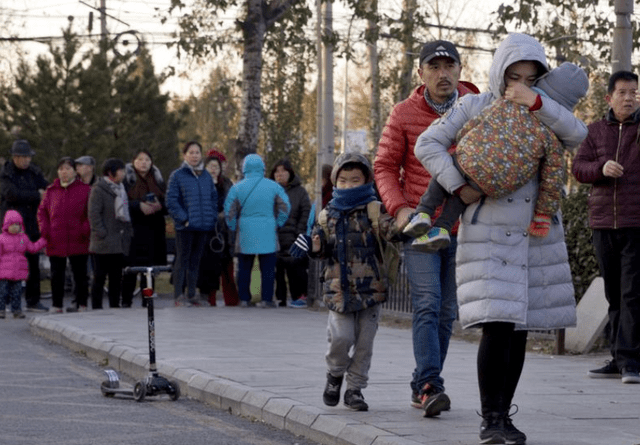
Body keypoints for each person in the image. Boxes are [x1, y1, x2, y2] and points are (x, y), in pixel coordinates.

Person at [414, 33, 586, 444]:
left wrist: (539, 104)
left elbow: (580, 136)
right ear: (499, 73)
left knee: (519, 329)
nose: (522, 84)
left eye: (531, 77)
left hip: (532, 237)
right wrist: (458, 185)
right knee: (497, 325)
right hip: (488, 233)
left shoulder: (549, 112)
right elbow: (429, 143)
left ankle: (504, 415)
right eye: (515, 76)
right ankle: (490, 418)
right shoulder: (475, 104)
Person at [373, 39, 479, 417]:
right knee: (428, 303)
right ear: (421, 74)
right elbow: (384, 165)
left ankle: (423, 382)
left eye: (449, 65)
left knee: (448, 310)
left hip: (465, 227)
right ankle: (431, 384)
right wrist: (400, 209)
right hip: (420, 226)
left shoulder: (478, 105)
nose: (442, 73)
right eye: (433, 67)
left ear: (460, 70)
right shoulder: (403, 113)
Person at [405, 62, 589, 251]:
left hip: (473, 158)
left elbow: (478, 121)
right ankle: (442, 228)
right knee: (461, 199)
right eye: (515, 77)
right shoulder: (554, 136)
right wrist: (543, 215)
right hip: (500, 185)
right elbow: (553, 178)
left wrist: (464, 140)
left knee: (443, 176)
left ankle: (423, 213)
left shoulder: (508, 102)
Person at [304, 152, 393, 411]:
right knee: (341, 338)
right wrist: (316, 246)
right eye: (343, 181)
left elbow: (391, 230)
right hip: (338, 290)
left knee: (365, 344)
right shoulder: (327, 214)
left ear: (366, 181)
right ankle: (334, 375)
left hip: (371, 290)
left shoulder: (374, 209)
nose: (349, 185)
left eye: (355, 180)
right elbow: (319, 250)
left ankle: (354, 390)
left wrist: (407, 223)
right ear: (335, 182)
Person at [572, 70, 640, 385]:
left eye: (634, 93)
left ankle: (630, 362)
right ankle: (618, 357)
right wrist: (601, 168)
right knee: (613, 293)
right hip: (602, 224)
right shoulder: (594, 131)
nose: (629, 98)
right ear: (609, 97)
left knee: (632, 294)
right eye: (623, 92)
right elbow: (578, 169)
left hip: (635, 223)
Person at [224, 154, 290, 308]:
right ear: (262, 167)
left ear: (244, 168)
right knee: (267, 269)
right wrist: (278, 222)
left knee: (244, 268)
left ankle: (245, 299)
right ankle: (267, 299)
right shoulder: (273, 186)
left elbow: (229, 210)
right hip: (268, 230)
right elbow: (285, 206)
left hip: (245, 231)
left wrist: (233, 226)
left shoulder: (238, 187)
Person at [37, 157, 91, 313]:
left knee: (80, 273)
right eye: (61, 169)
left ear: (75, 171)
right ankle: (57, 304)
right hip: (56, 237)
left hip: (78, 238)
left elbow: (90, 213)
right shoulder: (51, 191)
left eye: (68, 169)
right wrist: (45, 230)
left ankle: (81, 303)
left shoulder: (85, 190)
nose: (64, 172)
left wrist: (84, 229)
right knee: (56, 274)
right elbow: (42, 213)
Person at [166, 141, 218, 306]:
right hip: (185, 227)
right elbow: (171, 201)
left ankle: (191, 294)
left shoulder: (206, 176)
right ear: (185, 155)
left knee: (196, 261)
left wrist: (211, 218)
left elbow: (213, 198)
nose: (195, 155)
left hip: (203, 226)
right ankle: (178, 295)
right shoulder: (177, 175)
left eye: (197, 152)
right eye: (191, 152)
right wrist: (184, 219)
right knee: (182, 259)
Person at [0, 140, 49, 312]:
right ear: (15, 157)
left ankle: (33, 300)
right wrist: (36, 195)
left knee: (32, 263)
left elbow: (46, 188)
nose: (27, 160)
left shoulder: (34, 172)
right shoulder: (6, 173)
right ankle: (4, 301)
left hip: (32, 223)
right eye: (23, 157)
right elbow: (11, 194)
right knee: (8, 265)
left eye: (29, 157)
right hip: (12, 228)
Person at [121, 150, 167, 308]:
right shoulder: (127, 180)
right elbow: (122, 202)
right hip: (134, 230)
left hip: (154, 230)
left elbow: (167, 201)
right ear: (133, 161)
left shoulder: (158, 180)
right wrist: (138, 205)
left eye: (147, 159)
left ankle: (147, 300)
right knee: (131, 269)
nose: (144, 162)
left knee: (149, 271)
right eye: (140, 159)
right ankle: (126, 300)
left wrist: (159, 206)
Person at [88, 158, 133, 309]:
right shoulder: (99, 189)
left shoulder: (121, 188)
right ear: (110, 172)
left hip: (118, 240)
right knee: (99, 277)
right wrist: (101, 232)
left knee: (116, 277)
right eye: (121, 170)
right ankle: (96, 307)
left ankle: (115, 306)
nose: (124, 173)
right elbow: (94, 213)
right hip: (103, 241)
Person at [197, 153, 238, 306]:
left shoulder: (227, 183)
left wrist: (224, 215)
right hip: (207, 232)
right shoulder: (200, 183)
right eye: (210, 166)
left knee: (228, 270)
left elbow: (233, 205)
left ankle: (232, 301)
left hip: (225, 232)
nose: (214, 170)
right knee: (209, 269)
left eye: (217, 166)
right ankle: (209, 300)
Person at [269, 158, 311, 308]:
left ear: (290, 173)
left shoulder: (299, 191)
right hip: (275, 235)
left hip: (294, 235)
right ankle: (280, 298)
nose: (280, 174)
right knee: (277, 268)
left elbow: (306, 211)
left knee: (295, 267)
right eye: (277, 171)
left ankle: (299, 296)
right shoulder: (270, 191)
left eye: (283, 171)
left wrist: (299, 231)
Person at [0, 210, 47, 319]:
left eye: (18, 224)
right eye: (13, 224)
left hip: (18, 272)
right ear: (7, 225)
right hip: (3, 272)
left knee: (17, 293)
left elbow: (32, 248)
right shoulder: (2, 239)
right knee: (2, 293)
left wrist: (43, 241)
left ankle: (16, 310)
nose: (16, 227)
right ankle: (1, 310)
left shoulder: (22, 239)